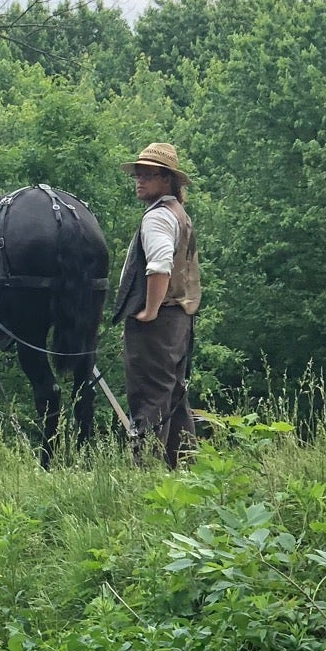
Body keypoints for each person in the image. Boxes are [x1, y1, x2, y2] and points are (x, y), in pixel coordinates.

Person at [111, 143, 201, 467]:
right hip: (179, 321)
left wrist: (149, 310)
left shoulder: (158, 218)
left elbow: (160, 265)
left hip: (159, 323)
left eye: (148, 175)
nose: (140, 180)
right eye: (138, 174)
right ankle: (188, 474)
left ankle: (145, 478)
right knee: (174, 399)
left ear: (167, 180)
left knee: (149, 400)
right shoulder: (178, 212)